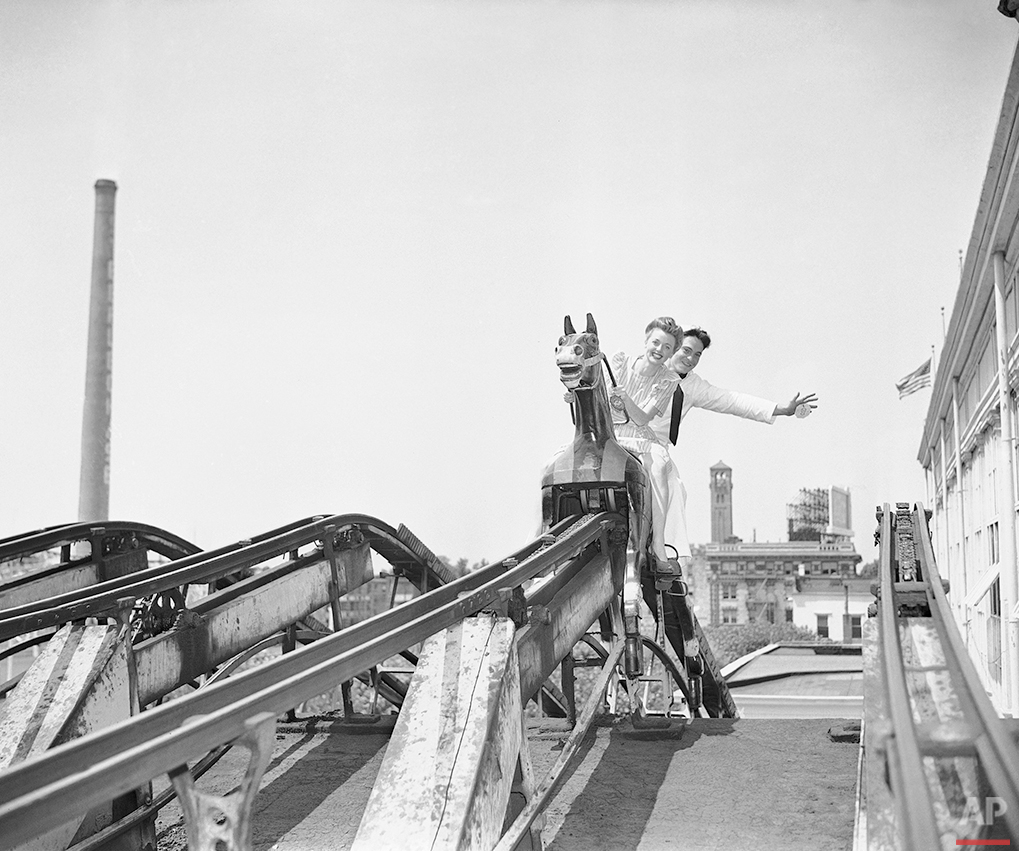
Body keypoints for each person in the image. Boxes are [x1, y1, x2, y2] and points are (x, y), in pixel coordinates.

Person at [650, 326, 818, 550]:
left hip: (656, 450)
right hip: (624, 440)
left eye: (697, 355)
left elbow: (733, 401)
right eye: (686, 350)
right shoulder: (648, 368)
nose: (690, 359)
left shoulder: (693, 386)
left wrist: (781, 409)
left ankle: (662, 553)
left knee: (675, 490)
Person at [608, 317, 686, 569]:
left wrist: (626, 398)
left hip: (640, 438)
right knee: (552, 464)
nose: (659, 350)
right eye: (656, 342)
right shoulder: (619, 363)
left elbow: (642, 418)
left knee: (660, 464)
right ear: (646, 340)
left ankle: (658, 542)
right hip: (611, 434)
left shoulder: (668, 381)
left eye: (667, 348)